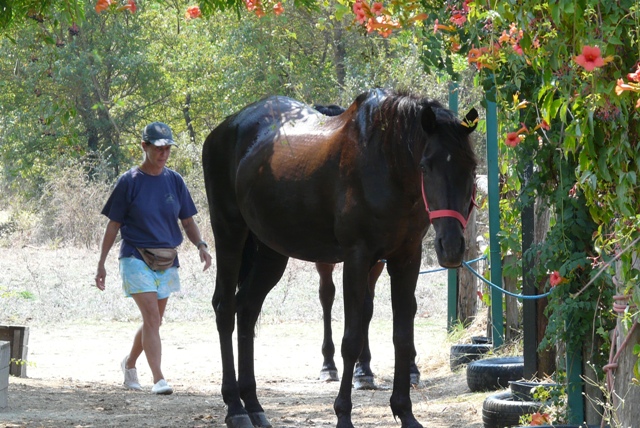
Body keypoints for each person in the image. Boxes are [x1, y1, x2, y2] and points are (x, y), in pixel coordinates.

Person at [95, 121, 212, 395]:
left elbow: (188, 220)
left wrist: (201, 245)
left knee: (154, 321)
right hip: (135, 256)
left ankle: (130, 362)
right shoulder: (129, 182)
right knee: (150, 317)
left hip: (167, 259)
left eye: (168, 148)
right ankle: (159, 378)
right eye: (158, 148)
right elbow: (113, 225)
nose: (164, 153)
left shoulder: (175, 180)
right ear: (144, 147)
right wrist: (101, 263)